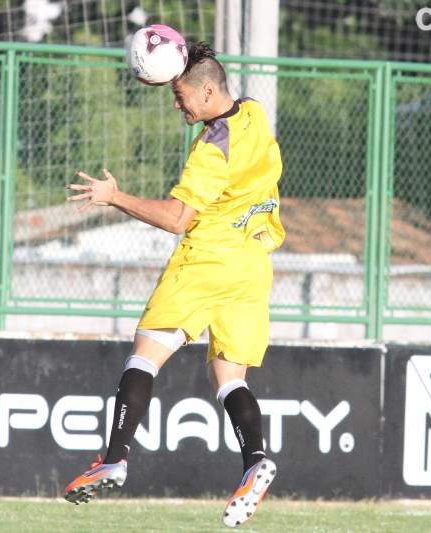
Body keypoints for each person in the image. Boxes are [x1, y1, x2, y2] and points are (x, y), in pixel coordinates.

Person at [62, 41, 285, 529]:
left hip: (208, 260)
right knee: (229, 380)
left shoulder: (211, 147)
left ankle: (114, 458)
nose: (176, 102)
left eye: (180, 94)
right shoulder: (255, 114)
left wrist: (115, 197)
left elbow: (178, 218)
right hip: (253, 263)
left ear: (206, 90)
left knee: (145, 355)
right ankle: (255, 461)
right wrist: (176, 53)